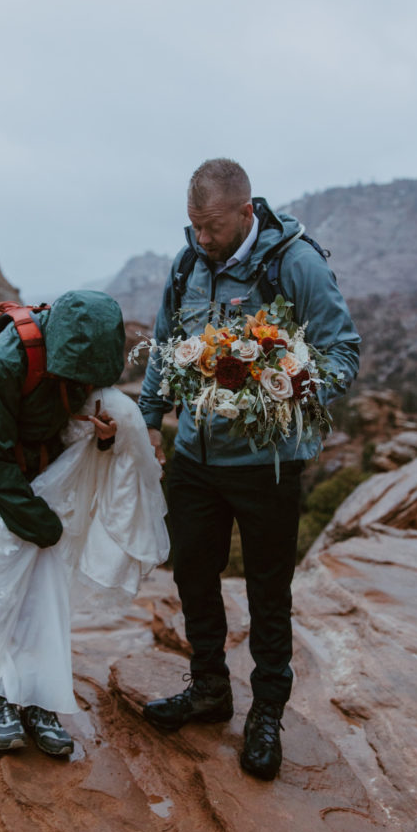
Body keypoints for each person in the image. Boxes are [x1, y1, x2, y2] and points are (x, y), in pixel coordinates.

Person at [138, 159, 360, 780]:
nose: (201, 239)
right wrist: (149, 419)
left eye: (210, 228)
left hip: (268, 464)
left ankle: (267, 714)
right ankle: (209, 689)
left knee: (268, 591)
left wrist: (292, 386)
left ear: (244, 212)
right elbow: (161, 346)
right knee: (193, 575)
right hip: (195, 459)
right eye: (193, 226)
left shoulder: (295, 260)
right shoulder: (186, 265)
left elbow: (344, 348)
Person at [0, 290, 169, 757]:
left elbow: (75, 424)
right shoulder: (3, 364)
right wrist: (40, 524)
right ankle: (2, 694)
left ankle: (41, 699)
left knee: (43, 585)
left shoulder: (85, 362)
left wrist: (101, 441)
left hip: (34, 467)